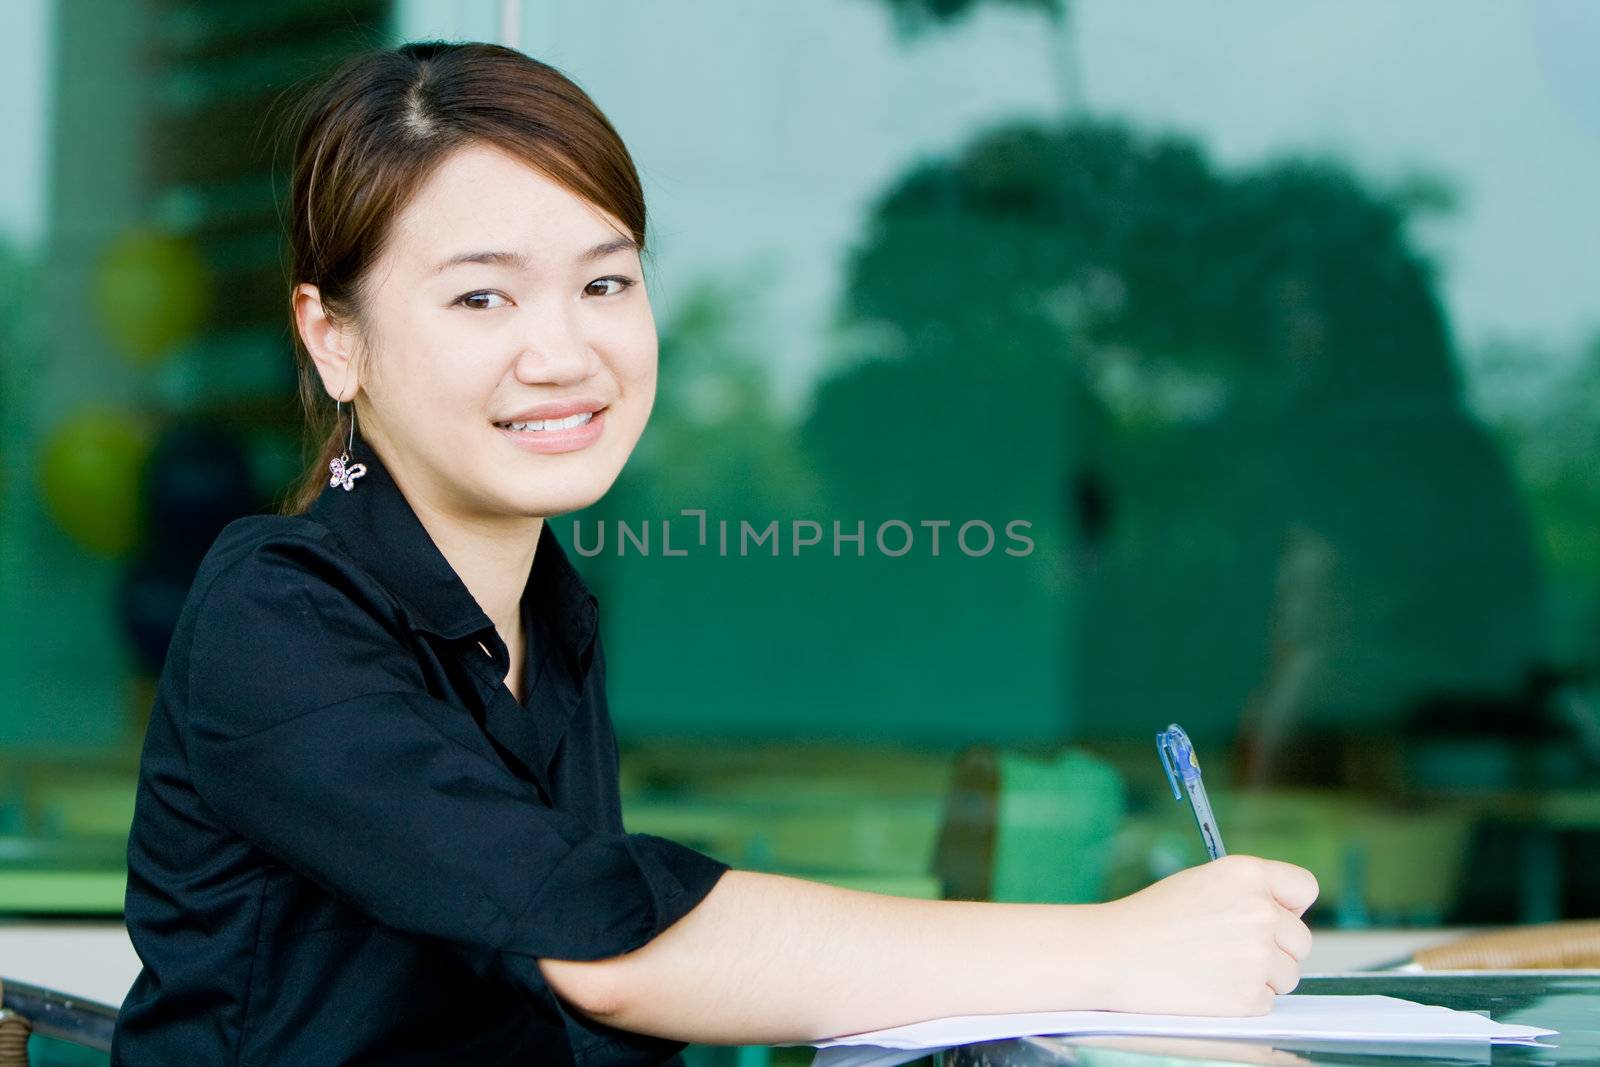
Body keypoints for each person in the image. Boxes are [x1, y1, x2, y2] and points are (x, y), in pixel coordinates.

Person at [111, 41, 1319, 1066]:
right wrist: (1120, 948)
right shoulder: (274, 615)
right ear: (334, 339)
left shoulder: (551, 614)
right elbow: (606, 945)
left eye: (605, 281)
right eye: (482, 298)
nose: (563, 352)